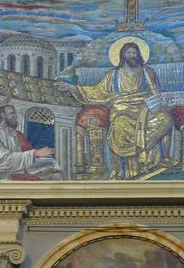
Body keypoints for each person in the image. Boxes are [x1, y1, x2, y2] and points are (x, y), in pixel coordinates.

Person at [58, 41, 172, 179]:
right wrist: (74, 88)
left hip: (145, 108)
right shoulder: (114, 75)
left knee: (165, 118)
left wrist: (163, 103)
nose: (132, 55)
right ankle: (126, 171)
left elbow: (156, 92)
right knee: (120, 125)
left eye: (135, 52)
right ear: (123, 55)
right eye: (129, 52)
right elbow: (98, 91)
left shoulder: (148, 72)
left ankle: (150, 161)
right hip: (122, 109)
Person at [0, 104, 61, 180]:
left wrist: (44, 168)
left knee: (53, 168)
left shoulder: (16, 134)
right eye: (12, 113)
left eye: (15, 113)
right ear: (2, 115)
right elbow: (5, 161)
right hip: (1, 178)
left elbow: (22, 159)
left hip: (16, 172)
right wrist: (34, 153)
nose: (15, 116)